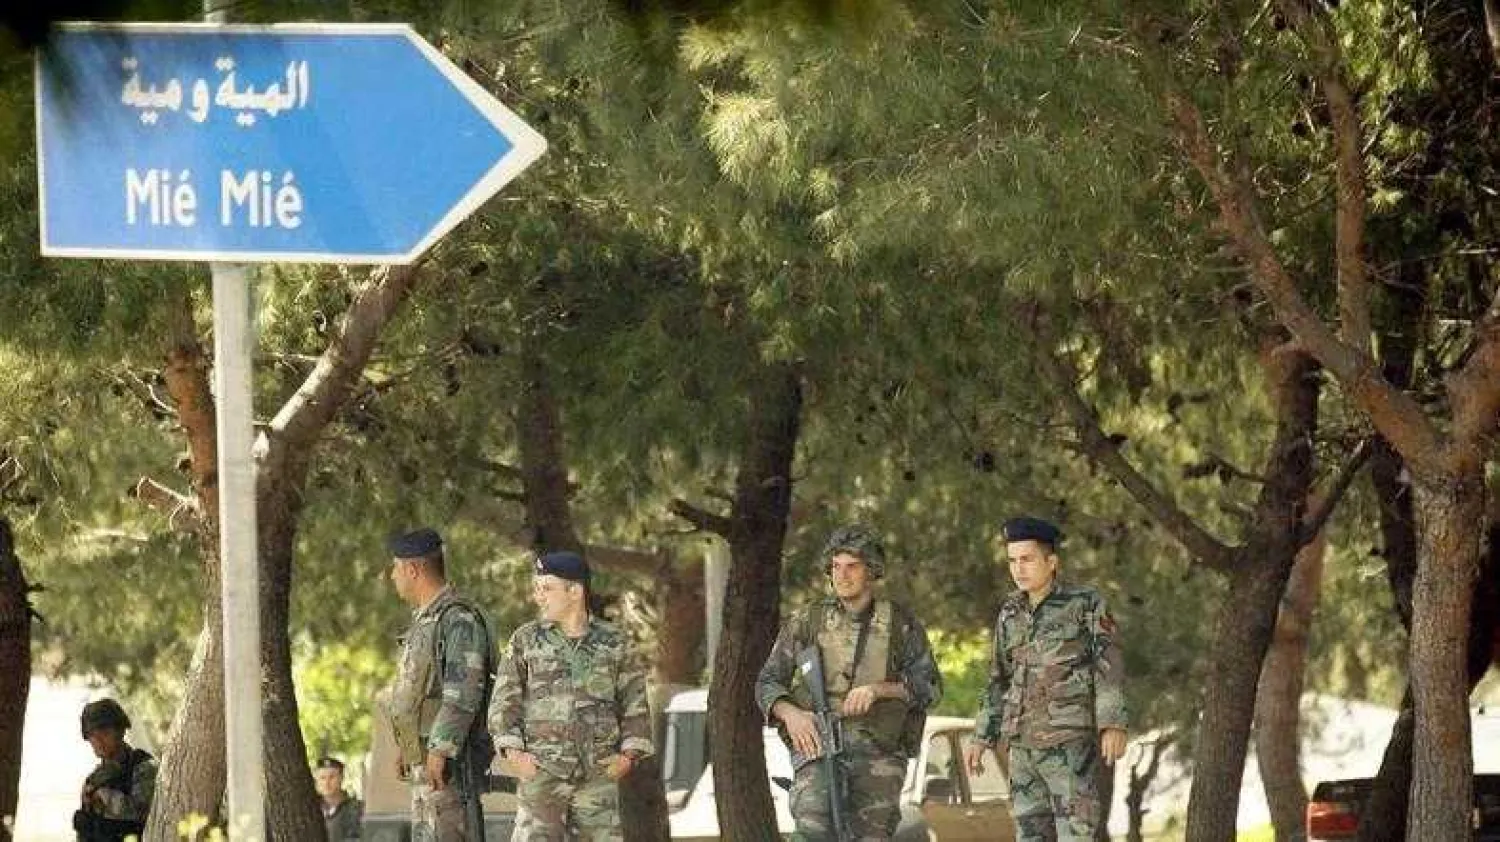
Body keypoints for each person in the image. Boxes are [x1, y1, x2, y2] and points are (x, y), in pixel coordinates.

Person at [756, 524, 943, 841]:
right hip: (818, 748)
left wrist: (879, 690)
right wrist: (792, 714)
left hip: (878, 755)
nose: (842, 575)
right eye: (836, 567)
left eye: (852, 566)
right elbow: (768, 681)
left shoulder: (900, 624)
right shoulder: (808, 621)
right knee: (812, 828)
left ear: (871, 571)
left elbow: (931, 688)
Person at [963, 516, 1127, 842]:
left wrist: (1112, 723)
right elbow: (998, 677)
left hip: (1069, 746)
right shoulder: (1009, 612)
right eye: (1012, 561)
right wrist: (982, 735)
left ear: (1051, 562)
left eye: (1027, 559)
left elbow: (1109, 664)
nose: (1018, 569)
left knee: (1076, 837)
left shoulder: (1085, 604)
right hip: (1022, 748)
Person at [488, 550, 653, 841]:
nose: (539, 596)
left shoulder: (614, 643)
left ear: (574, 591)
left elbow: (635, 705)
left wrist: (627, 757)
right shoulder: (525, 640)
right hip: (541, 775)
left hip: (598, 778)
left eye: (547, 588)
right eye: (537, 588)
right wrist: (514, 754)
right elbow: (504, 703)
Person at [376, 527, 495, 842]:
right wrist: (408, 747)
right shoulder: (426, 621)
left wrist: (440, 750)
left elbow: (463, 693)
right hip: (427, 763)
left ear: (413, 569)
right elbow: (419, 692)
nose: (392, 576)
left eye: (396, 567)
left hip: (449, 768)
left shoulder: (457, 619)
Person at [73, 698, 156, 842]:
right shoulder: (94, 779)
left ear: (121, 731)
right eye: (92, 735)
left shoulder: (143, 767)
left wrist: (104, 797)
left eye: (104, 733)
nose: (98, 741)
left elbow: (142, 812)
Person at [314, 755, 363, 841]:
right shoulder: (311, 810)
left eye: (332, 777)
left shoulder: (357, 809)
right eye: (322, 778)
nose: (327, 782)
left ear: (341, 778)